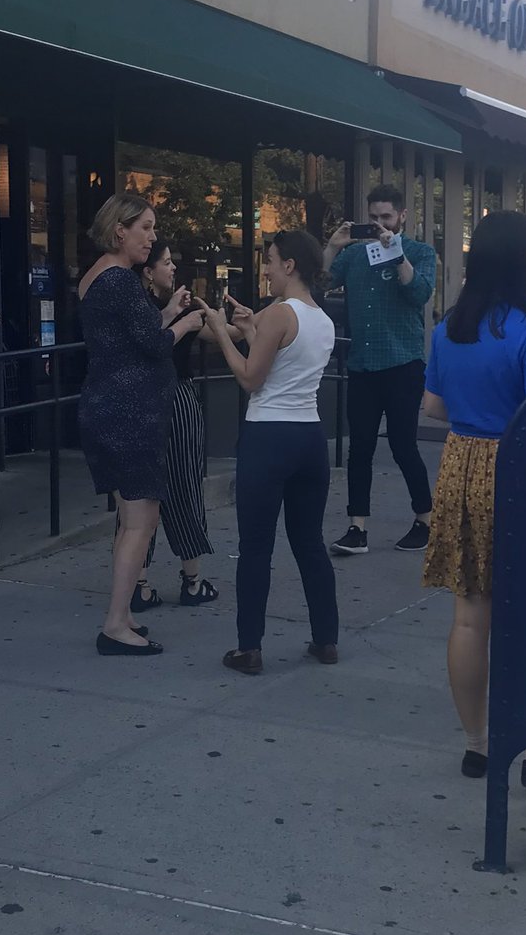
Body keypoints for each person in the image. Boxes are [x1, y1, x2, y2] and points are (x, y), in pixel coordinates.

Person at [420, 211, 526, 784]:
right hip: (517, 469)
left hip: (461, 464)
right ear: (522, 259)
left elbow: (432, 407)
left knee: (469, 615)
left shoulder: (448, 328)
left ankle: (478, 745)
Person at [205, 230, 340, 675]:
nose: (264, 268)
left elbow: (249, 377)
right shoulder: (322, 318)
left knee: (256, 547)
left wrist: (226, 336)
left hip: (268, 436)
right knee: (309, 543)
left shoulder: (280, 314)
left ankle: (250, 648)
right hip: (309, 438)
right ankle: (326, 638)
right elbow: (270, 351)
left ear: (290, 265)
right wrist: (243, 328)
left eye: (270, 260)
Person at [78, 194, 205, 656]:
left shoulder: (97, 278)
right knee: (138, 520)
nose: (152, 238)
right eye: (146, 228)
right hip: (130, 412)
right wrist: (187, 322)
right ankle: (115, 622)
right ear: (120, 232)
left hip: (109, 407)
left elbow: (129, 336)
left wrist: (168, 313)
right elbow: (152, 345)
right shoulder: (121, 280)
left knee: (137, 518)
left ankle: (124, 614)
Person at [323, 184, 437, 556]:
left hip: (402, 363)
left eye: (386, 217)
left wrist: (395, 251)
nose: (378, 224)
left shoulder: (420, 252)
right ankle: (357, 526)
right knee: (361, 448)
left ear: (402, 216)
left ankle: (425, 518)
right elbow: (320, 281)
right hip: (363, 364)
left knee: (404, 445)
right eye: (373, 218)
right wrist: (334, 245)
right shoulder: (355, 256)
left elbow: (419, 293)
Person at [131, 240, 238, 610]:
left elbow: (219, 335)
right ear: (148, 271)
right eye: (165, 262)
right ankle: (191, 580)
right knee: (183, 484)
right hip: (172, 398)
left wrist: (233, 321)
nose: (173, 268)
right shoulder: (158, 309)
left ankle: (138, 583)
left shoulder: (153, 306)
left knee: (139, 493)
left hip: (140, 404)